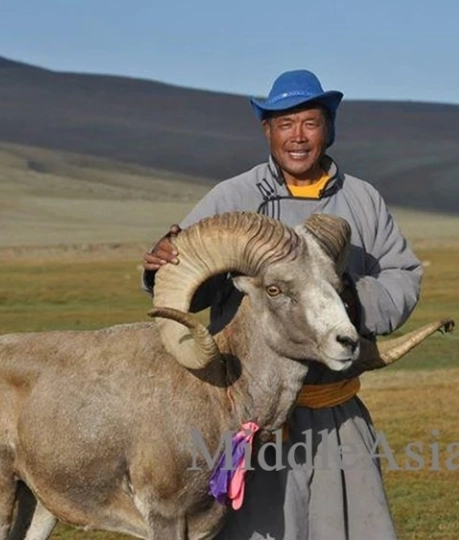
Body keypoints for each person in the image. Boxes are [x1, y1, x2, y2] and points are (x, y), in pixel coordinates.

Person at [141, 69, 423, 540]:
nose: (298, 137)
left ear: (329, 128)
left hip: (335, 408)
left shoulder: (362, 200)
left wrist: (343, 300)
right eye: (285, 123)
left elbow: (403, 280)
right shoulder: (234, 197)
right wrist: (161, 267)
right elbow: (190, 279)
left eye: (310, 123)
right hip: (248, 420)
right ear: (267, 130)